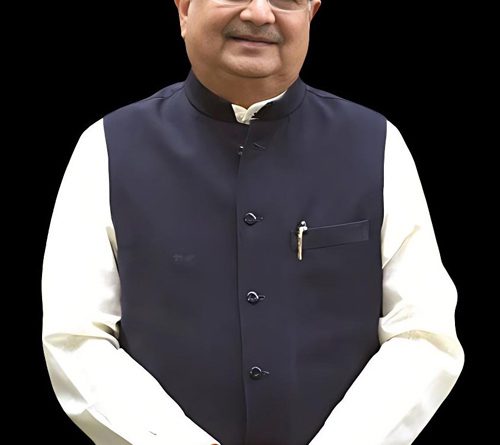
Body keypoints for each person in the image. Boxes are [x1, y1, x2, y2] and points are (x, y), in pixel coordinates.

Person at [41, 0, 464, 444]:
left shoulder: (376, 144)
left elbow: (423, 333)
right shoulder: (107, 147)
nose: (260, 13)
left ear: (311, 14)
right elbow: (77, 338)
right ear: (184, 10)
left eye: (286, 0)